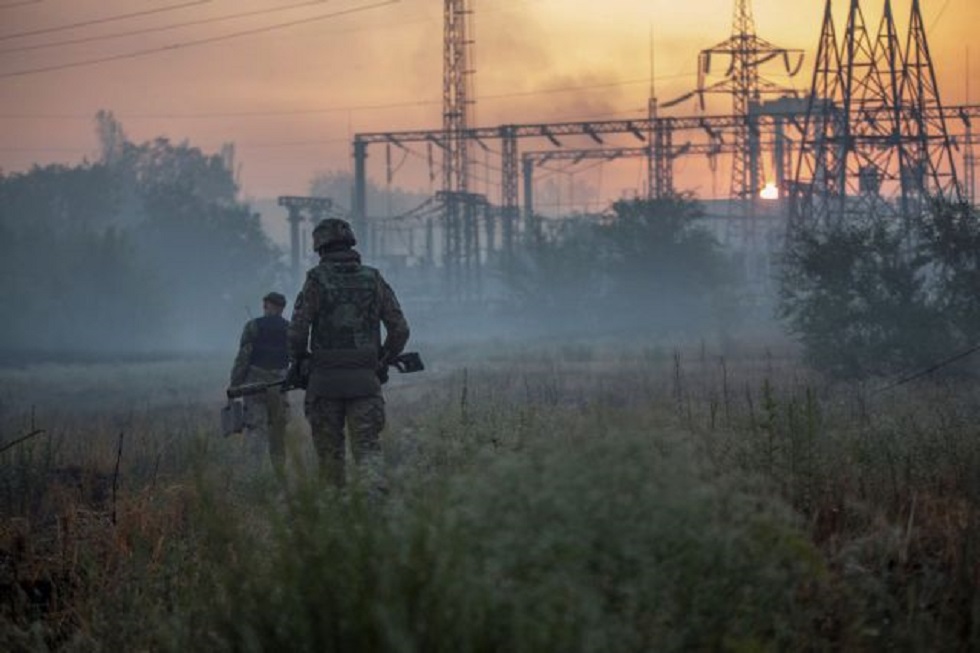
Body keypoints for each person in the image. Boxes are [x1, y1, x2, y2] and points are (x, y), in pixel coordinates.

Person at [287, 218, 410, 490]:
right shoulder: (373, 278)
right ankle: (376, 519)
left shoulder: (315, 280)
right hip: (365, 383)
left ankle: (335, 522)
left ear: (320, 247)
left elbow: (297, 332)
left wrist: (301, 360)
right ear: (350, 243)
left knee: (330, 463)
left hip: (324, 384)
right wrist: (384, 359)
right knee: (368, 455)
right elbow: (400, 329)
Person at [230, 292, 290, 479]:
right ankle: (280, 477)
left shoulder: (253, 326)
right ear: (282, 308)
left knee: (256, 430)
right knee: (278, 433)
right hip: (279, 386)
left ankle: (252, 477)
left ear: (269, 306)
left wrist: (235, 384)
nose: (264, 309)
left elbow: (243, 358)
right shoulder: (290, 328)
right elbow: (295, 357)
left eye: (266, 306)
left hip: (254, 386)